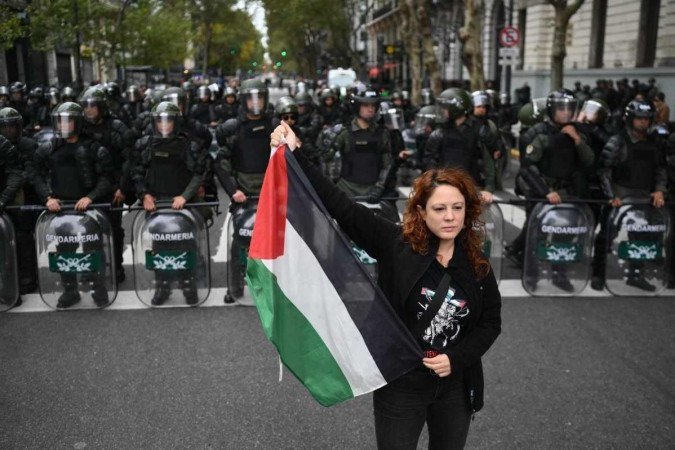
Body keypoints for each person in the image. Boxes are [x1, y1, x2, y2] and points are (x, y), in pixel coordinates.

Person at [272, 121, 501, 449]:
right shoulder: (396, 244)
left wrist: (457, 358)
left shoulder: (476, 261)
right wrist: (297, 153)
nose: (449, 216)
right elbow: (343, 209)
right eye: (439, 208)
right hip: (401, 383)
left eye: (457, 207)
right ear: (422, 212)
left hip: (454, 386)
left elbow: (491, 321)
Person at [29, 102, 114, 308]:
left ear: (78, 122)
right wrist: (47, 197)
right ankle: (70, 291)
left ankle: (98, 288)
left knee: (93, 249)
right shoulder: (50, 147)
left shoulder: (93, 148)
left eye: (68, 120)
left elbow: (108, 177)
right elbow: (33, 171)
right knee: (64, 250)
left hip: (87, 209)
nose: (63, 125)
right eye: (60, 120)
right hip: (61, 209)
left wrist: (91, 197)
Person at [132, 101, 207, 305]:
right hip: (156, 204)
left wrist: (185, 196)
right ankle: (162, 288)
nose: (164, 126)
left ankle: (189, 286)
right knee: (159, 247)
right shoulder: (145, 144)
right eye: (160, 122)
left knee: (186, 244)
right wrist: (144, 195)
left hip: (182, 204)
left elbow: (198, 173)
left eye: (169, 122)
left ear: (176, 123)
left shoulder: (188, 145)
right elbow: (137, 173)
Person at [214, 78, 274, 304]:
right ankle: (235, 287)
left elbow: (288, 159)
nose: (256, 103)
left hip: (271, 194)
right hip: (244, 195)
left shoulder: (275, 125)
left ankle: (278, 288)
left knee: (279, 242)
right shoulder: (233, 129)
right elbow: (221, 162)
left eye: (260, 97)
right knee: (240, 240)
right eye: (251, 98)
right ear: (244, 100)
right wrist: (233, 190)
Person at [597, 99, 667, 291]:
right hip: (620, 194)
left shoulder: (654, 143)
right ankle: (598, 274)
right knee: (607, 235)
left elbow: (660, 169)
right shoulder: (618, 141)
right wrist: (611, 196)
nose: (643, 122)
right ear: (630, 119)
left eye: (646, 119)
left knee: (642, 237)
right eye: (639, 119)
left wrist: (660, 189)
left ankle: (636, 274)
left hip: (644, 195)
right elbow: (604, 170)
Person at [424, 88, 496, 204]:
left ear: (457, 108)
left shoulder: (479, 130)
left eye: (445, 108)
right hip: (444, 187)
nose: (442, 111)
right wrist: (431, 186)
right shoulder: (440, 130)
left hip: (471, 187)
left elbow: (488, 161)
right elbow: (430, 161)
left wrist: (488, 189)